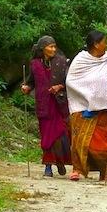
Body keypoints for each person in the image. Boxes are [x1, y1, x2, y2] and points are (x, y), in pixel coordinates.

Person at [65, 31, 107, 182]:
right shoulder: (81, 60)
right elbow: (71, 81)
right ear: (96, 44)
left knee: (104, 144)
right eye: (104, 41)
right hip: (82, 107)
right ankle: (77, 169)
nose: (106, 44)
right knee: (80, 140)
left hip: (104, 108)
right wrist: (88, 95)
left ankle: (103, 171)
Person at [21, 35, 71, 178]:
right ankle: (48, 166)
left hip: (58, 105)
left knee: (61, 135)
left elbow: (70, 82)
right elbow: (31, 82)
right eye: (50, 47)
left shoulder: (62, 63)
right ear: (43, 49)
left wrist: (59, 86)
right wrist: (26, 87)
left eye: (55, 46)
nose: (53, 49)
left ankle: (60, 162)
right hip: (43, 105)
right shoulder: (35, 64)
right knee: (47, 137)